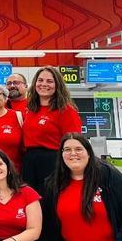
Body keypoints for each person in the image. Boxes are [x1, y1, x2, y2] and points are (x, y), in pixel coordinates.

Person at [22, 66, 82, 195]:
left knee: (50, 202)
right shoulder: (31, 110)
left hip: (53, 162)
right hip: (30, 162)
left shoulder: (66, 110)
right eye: (40, 80)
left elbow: (75, 142)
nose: (44, 84)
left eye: (49, 81)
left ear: (57, 85)